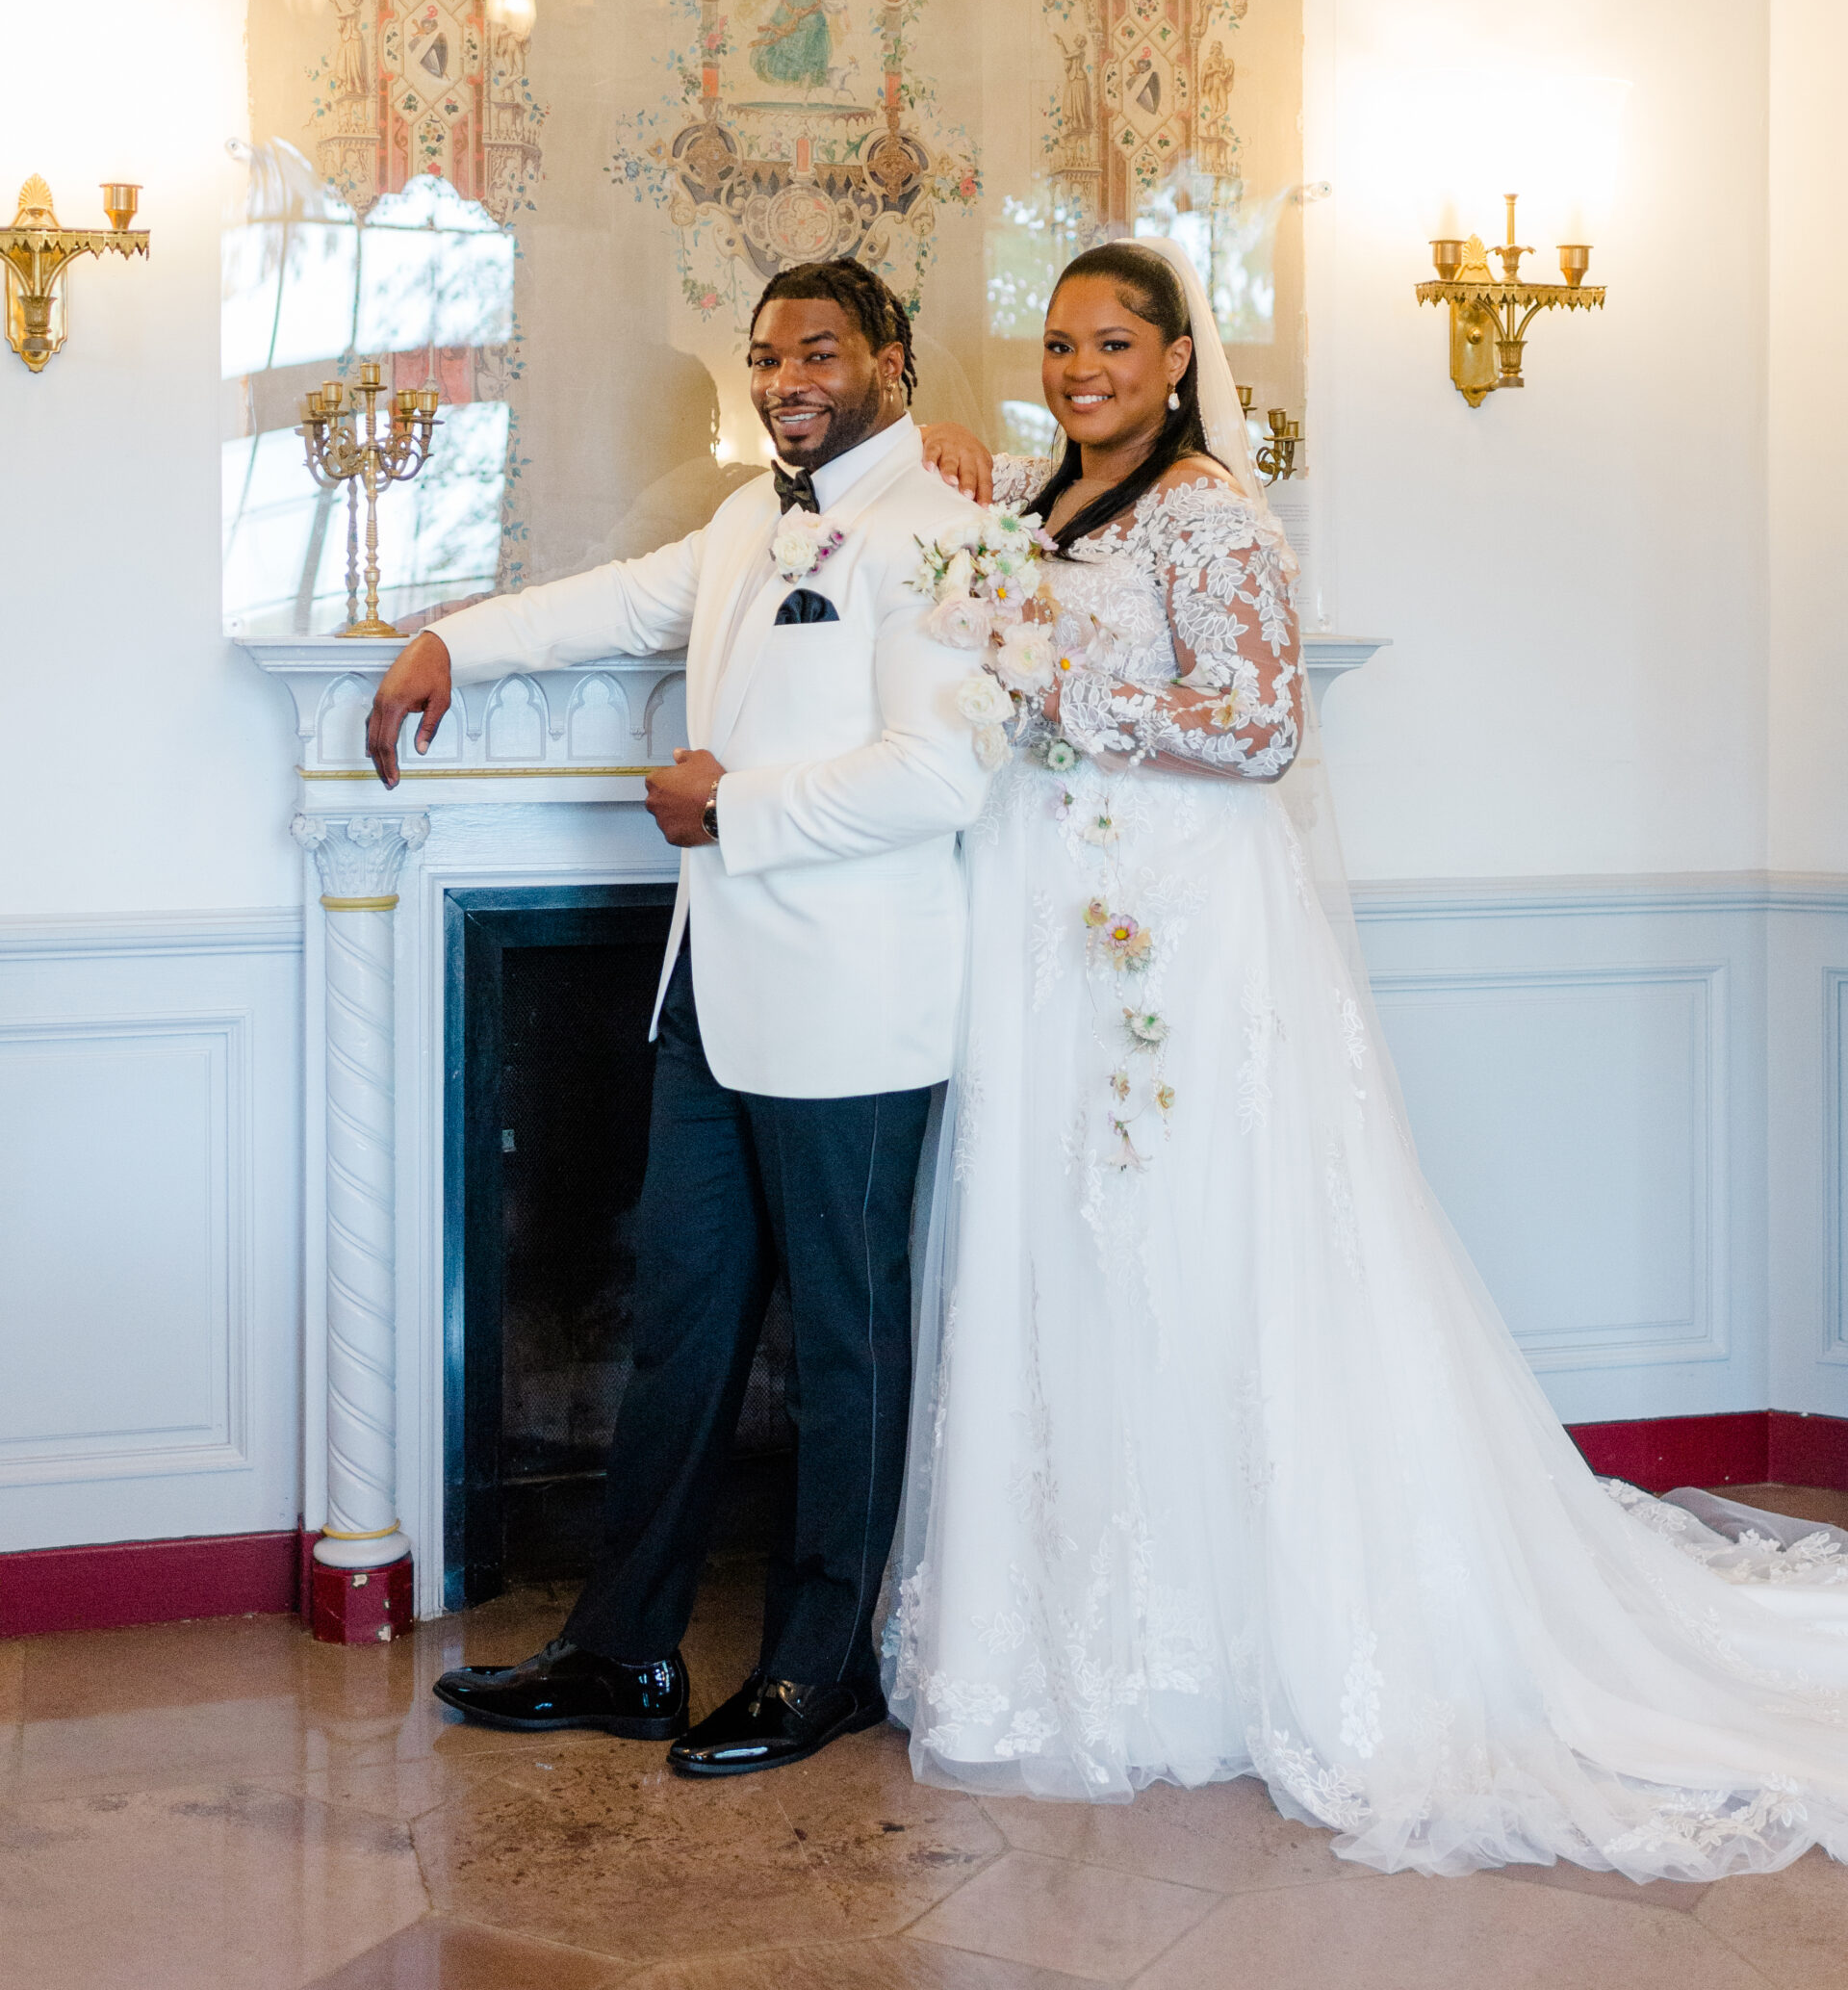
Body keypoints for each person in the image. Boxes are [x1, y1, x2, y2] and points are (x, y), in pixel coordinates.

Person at [886, 237, 1848, 1880]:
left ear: (1181, 359)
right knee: (1069, 1252)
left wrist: (1055, 670)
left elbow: (1262, 728)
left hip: (1186, 941)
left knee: (1208, 1244)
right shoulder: (1045, 514)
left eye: (1114, 342)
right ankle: (1082, 1627)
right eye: (1057, 344)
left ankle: (1255, 1638)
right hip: (1053, 930)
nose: (1081, 369)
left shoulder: (1213, 515)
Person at [363, 258, 989, 1777]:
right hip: (708, 1000)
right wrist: (450, 640)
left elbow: (940, 777)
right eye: (768, 352)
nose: (788, 376)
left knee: (847, 1349)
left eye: (821, 351)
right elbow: (608, 605)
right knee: (680, 1333)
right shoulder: (733, 522)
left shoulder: (951, 533)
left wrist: (733, 809)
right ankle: (623, 1648)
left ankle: (820, 1664)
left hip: (856, 1008)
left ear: (892, 363)